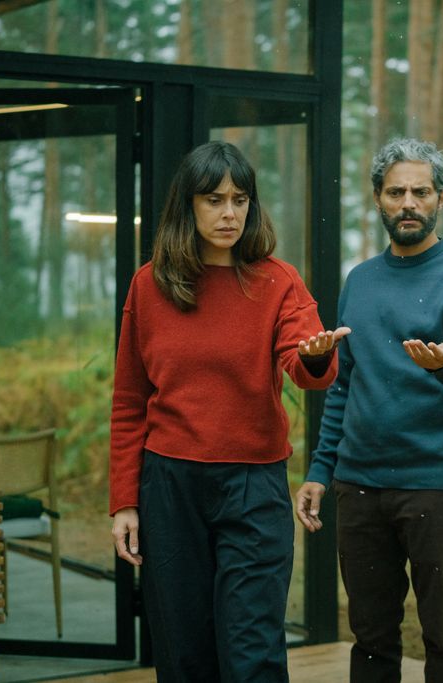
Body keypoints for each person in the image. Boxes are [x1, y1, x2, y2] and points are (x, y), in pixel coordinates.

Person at [109, 141, 348, 682]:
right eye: (214, 200)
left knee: (252, 650)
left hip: (253, 487)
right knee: (184, 652)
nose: (229, 213)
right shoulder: (149, 284)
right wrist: (124, 500)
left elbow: (307, 366)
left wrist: (316, 355)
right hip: (170, 487)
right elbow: (128, 402)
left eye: (240, 200)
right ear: (187, 205)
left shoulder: (278, 280)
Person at [294, 137, 443, 683]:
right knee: (370, 640)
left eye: (420, 192)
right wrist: (320, 470)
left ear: (441, 198)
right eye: (395, 193)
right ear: (377, 198)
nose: (408, 203)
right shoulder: (360, 280)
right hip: (360, 487)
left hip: (439, 487)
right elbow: (344, 385)